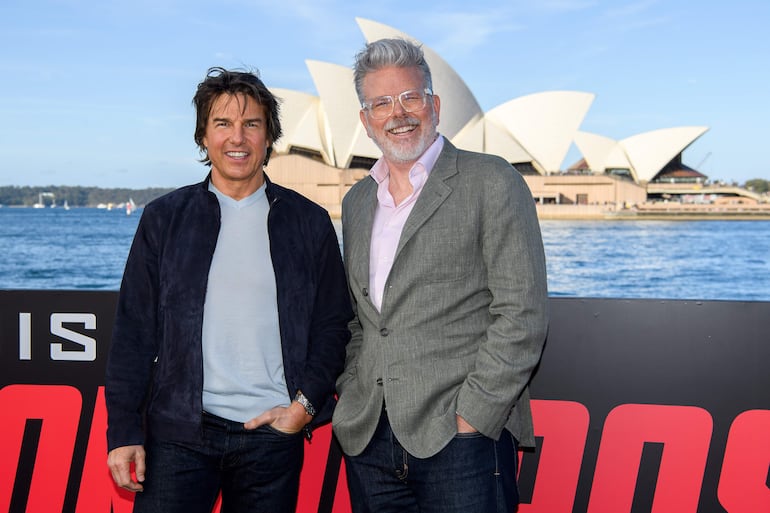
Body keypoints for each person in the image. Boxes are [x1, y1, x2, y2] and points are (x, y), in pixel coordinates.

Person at [105, 67, 352, 513]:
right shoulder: (164, 219)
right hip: (179, 436)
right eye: (222, 124)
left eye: (251, 124)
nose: (237, 138)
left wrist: (303, 407)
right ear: (203, 136)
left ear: (268, 136)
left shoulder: (309, 223)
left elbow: (333, 326)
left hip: (273, 438)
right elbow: (133, 333)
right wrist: (124, 433)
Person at [332, 38, 549, 512]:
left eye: (410, 96)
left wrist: (474, 415)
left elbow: (522, 313)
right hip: (370, 437)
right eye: (381, 103)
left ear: (434, 103)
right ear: (365, 120)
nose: (399, 113)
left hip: (461, 439)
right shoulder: (358, 202)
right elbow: (360, 318)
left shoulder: (491, 181)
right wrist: (352, 388)